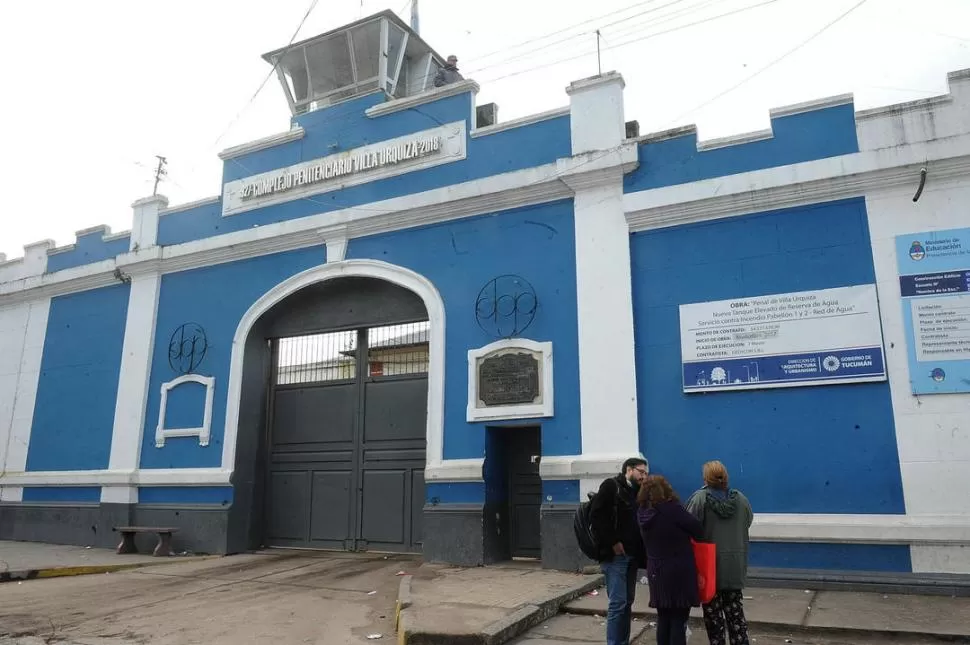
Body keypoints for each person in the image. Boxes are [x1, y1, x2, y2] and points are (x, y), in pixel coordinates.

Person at [686, 461, 754, 645]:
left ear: (705, 478)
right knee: (736, 615)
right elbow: (748, 521)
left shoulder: (699, 499)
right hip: (734, 565)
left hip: (710, 568)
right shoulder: (741, 499)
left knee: (713, 616)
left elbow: (688, 528)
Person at [637, 474, 704, 645]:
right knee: (678, 619)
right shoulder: (672, 509)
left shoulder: (642, 512)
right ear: (665, 490)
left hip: (656, 570)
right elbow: (698, 529)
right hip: (678, 569)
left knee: (664, 617)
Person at [589, 457, 649, 645]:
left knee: (627, 603)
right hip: (615, 556)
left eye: (646, 473)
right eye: (641, 472)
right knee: (618, 603)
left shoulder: (638, 491)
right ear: (629, 470)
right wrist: (613, 542)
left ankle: (622, 641)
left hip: (632, 555)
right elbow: (596, 517)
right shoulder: (611, 486)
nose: (644, 476)